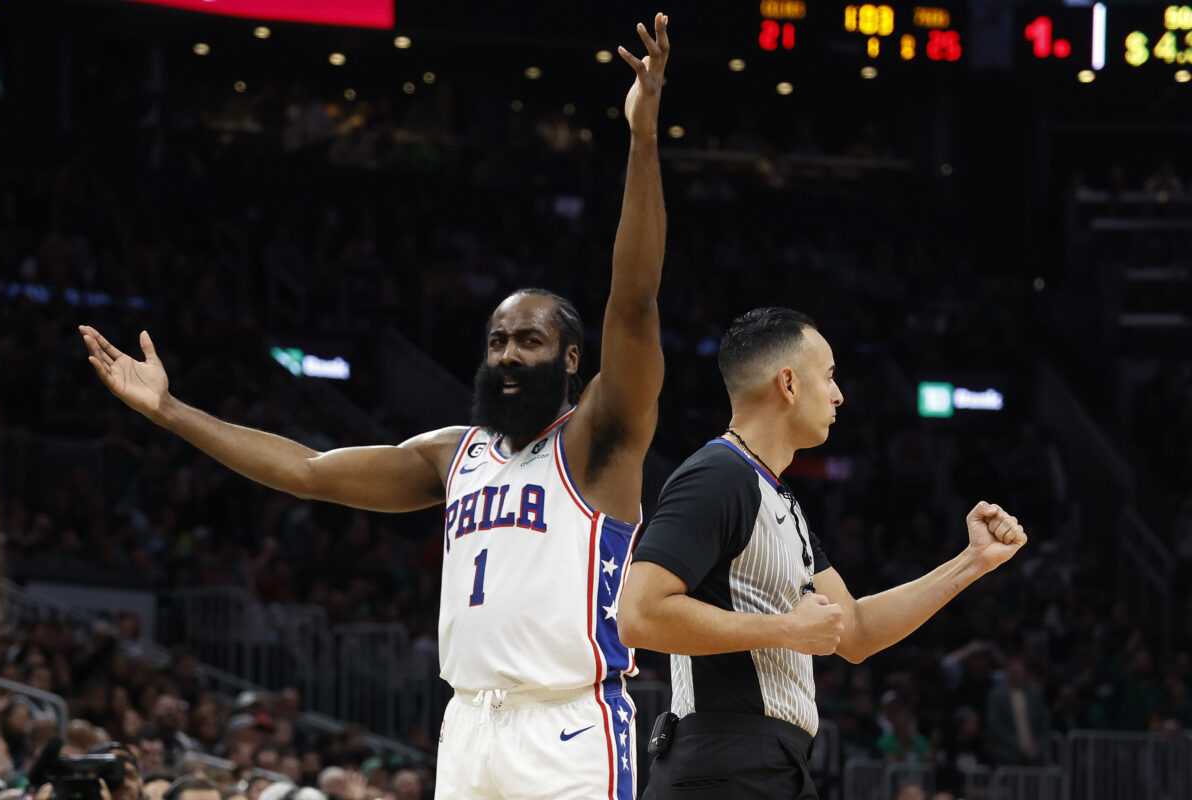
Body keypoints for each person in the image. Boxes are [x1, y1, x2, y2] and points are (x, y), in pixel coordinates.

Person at [80, 13, 671, 800]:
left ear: (569, 359)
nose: (505, 355)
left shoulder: (598, 440)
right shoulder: (452, 453)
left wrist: (641, 139)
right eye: (496, 340)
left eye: (527, 341)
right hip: (466, 726)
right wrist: (171, 411)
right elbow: (308, 470)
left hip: (568, 726)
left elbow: (632, 302)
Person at [617, 307, 1028, 799]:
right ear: (788, 384)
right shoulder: (717, 476)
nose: (839, 394)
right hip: (724, 765)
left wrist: (973, 561)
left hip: (773, 765)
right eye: (829, 376)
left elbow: (854, 632)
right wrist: (786, 629)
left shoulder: (778, 496)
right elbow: (639, 615)